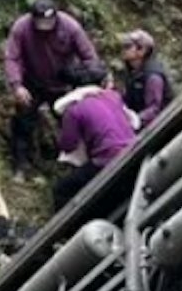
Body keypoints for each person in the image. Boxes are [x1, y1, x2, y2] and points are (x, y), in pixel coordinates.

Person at [3, 0, 100, 175]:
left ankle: (80, 165)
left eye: (49, 22)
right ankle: (21, 165)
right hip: (32, 81)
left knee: (73, 122)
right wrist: (16, 85)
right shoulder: (22, 28)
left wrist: (89, 81)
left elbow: (89, 57)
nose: (45, 26)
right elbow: (12, 57)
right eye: (41, 22)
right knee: (23, 122)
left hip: (62, 83)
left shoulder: (71, 27)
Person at [51, 65, 139, 209]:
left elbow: (68, 145)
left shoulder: (74, 110)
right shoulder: (113, 97)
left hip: (107, 160)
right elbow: (134, 122)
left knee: (61, 190)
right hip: (134, 153)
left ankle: (71, 229)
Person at [119, 30, 172, 127]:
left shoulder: (153, 77)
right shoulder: (132, 72)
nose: (123, 49)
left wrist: (135, 119)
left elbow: (154, 109)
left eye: (127, 46)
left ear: (141, 51)